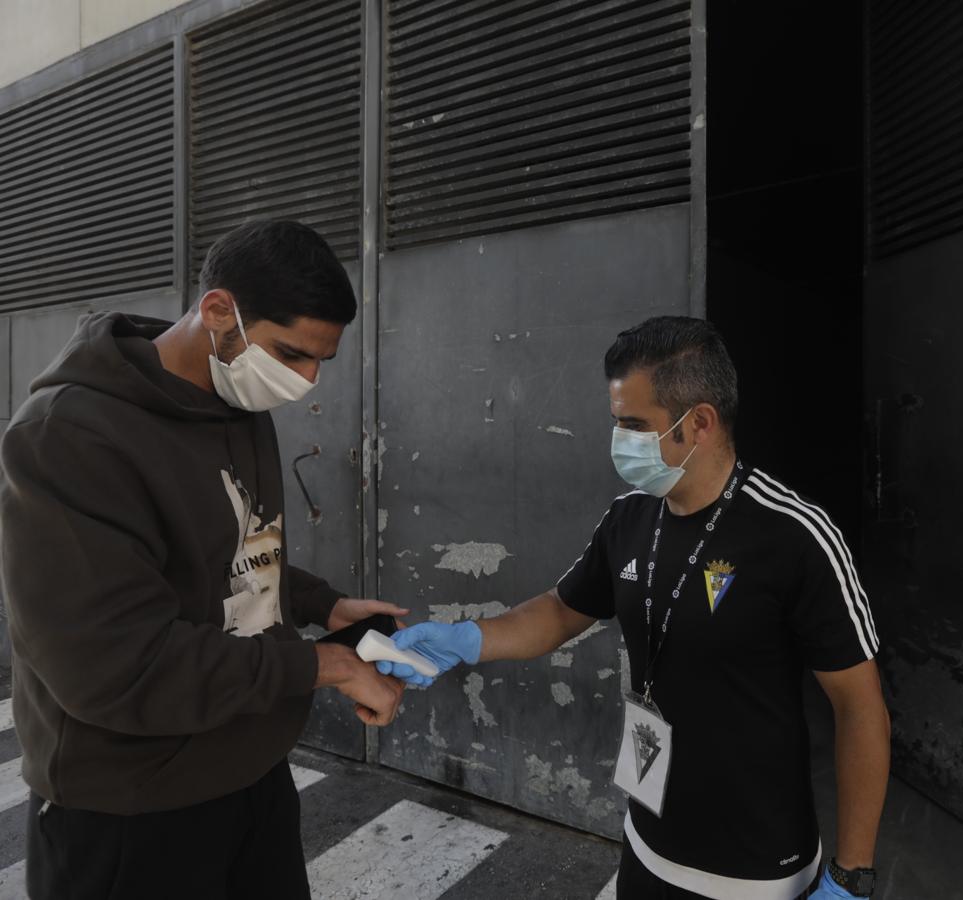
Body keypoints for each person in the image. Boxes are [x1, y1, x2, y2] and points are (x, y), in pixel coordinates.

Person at [380, 316, 891, 899]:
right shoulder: (631, 517)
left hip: (758, 873)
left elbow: (860, 709)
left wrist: (851, 878)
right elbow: (558, 611)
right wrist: (464, 639)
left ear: (698, 423)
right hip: (647, 847)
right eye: (616, 421)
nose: (619, 439)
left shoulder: (794, 536)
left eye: (633, 424)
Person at [0, 220, 407, 900]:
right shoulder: (66, 436)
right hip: (130, 810)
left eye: (320, 362)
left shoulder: (237, 399)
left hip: (252, 774)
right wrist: (327, 663)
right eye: (291, 353)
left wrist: (322, 606)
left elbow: (231, 551)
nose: (305, 381)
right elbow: (116, 667)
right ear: (219, 312)